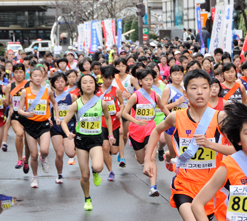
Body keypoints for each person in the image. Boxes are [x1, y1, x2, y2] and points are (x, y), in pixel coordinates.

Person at [143, 69, 235, 221]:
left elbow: (236, 150)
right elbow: (156, 130)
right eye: (194, 87)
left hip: (211, 189)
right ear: (185, 91)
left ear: (212, 89)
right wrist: (148, 159)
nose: (200, 92)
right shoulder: (177, 116)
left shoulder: (220, 117)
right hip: (185, 185)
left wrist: (213, 145)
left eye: (204, 87)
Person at [61, 74, 115, 211]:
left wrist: (109, 134)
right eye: (85, 82)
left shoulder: (101, 103)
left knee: (97, 167)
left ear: (95, 85)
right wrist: (68, 134)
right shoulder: (76, 104)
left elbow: (108, 118)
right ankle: (87, 198)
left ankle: (95, 172)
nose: (88, 85)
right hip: (81, 140)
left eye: (91, 82)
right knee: (84, 176)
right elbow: (64, 122)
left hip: (96, 139)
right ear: (80, 86)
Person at [122, 68, 169, 196]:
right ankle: (140, 157)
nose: (149, 82)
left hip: (151, 128)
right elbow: (124, 113)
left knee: (152, 157)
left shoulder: (155, 95)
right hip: (136, 129)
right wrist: (135, 121)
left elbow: (163, 107)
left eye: (151, 79)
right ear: (140, 81)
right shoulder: (135, 96)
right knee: (142, 160)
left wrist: (173, 119)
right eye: (146, 80)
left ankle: (153, 187)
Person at [18, 67, 60, 188]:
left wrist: (56, 117)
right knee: (34, 154)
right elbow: (20, 110)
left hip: (44, 124)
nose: (37, 78)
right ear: (30, 78)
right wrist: (26, 113)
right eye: (35, 76)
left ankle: (44, 159)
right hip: (30, 125)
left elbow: (54, 103)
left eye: (39, 76)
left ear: (43, 77)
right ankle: (35, 177)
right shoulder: (25, 91)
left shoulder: (47, 91)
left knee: (45, 151)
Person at [49, 72, 77, 184]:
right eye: (57, 81)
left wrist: (77, 125)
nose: (60, 84)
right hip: (55, 127)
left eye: (62, 81)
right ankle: (59, 175)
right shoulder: (50, 97)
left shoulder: (72, 97)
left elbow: (78, 113)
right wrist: (49, 119)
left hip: (69, 127)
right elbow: (46, 111)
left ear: (65, 82)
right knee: (59, 154)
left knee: (70, 153)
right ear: (53, 84)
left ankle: (75, 151)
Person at [98, 65, 124, 182]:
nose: (108, 81)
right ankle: (110, 171)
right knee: (105, 147)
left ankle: (108, 152)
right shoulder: (96, 91)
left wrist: (121, 112)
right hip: (101, 123)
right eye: (105, 78)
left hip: (114, 123)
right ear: (101, 77)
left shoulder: (116, 90)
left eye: (110, 78)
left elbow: (122, 103)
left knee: (114, 151)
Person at [4, 63, 30, 173]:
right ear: (13, 73)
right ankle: (20, 159)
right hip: (16, 115)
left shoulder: (30, 84)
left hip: (28, 115)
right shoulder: (9, 86)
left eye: (21, 72)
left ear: (25, 73)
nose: (18, 74)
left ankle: (26, 160)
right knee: (19, 134)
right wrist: (4, 103)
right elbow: (7, 102)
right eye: (16, 72)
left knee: (28, 139)